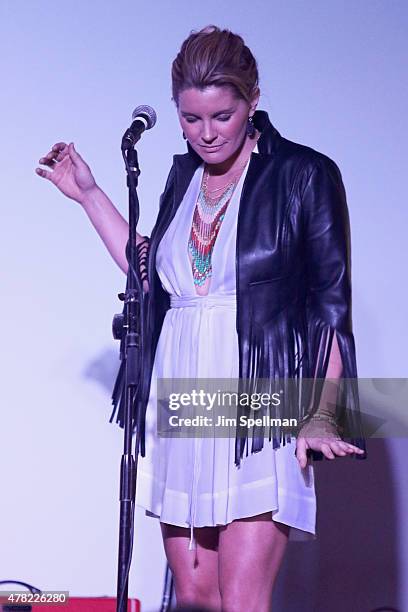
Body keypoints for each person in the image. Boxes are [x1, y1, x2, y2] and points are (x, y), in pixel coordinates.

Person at [36, 25, 366, 612]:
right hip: (185, 394)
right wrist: (88, 194)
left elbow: (329, 302)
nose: (207, 134)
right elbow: (156, 269)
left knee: (241, 598)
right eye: (191, 119)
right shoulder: (183, 178)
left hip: (259, 400)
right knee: (195, 596)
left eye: (222, 115)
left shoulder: (304, 174)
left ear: (252, 99)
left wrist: (322, 414)